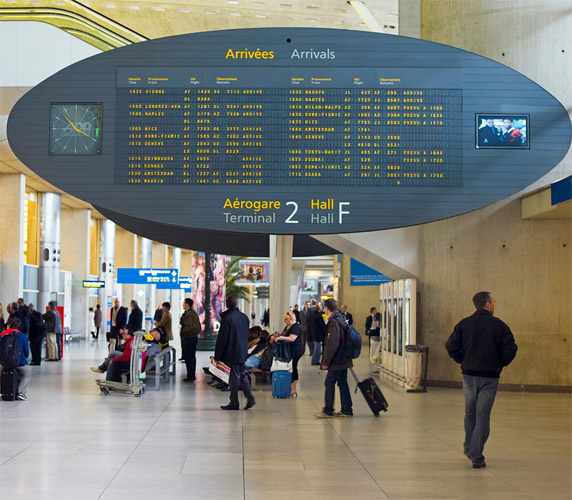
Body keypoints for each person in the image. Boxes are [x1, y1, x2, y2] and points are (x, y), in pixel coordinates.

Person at [445, 291, 518, 469]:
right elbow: (511, 348)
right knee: (483, 415)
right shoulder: (499, 326)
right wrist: (500, 363)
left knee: (470, 413)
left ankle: (469, 447)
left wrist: (462, 360)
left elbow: (450, 345)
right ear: (487, 304)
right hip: (490, 378)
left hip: (469, 376)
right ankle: (476, 455)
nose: (494, 304)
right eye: (493, 301)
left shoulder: (464, 324)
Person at [214, 296, 255, 411]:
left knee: (234, 376)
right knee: (241, 373)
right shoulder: (244, 317)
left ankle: (234, 402)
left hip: (232, 351)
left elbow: (222, 339)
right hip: (242, 351)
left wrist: (217, 356)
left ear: (227, 305)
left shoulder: (227, 319)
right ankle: (250, 398)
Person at [315, 299, 353, 418]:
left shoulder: (334, 322)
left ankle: (328, 410)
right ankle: (347, 410)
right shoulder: (340, 318)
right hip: (344, 357)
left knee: (329, 382)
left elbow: (332, 343)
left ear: (326, 308)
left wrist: (326, 362)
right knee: (342, 383)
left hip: (337, 359)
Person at [272, 311, 304, 397]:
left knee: (293, 367)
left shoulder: (296, 327)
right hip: (289, 350)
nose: (284, 321)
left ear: (290, 318)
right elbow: (286, 335)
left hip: (295, 350)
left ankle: (293, 389)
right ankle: (290, 388)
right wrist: (280, 335)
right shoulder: (288, 326)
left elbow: (292, 338)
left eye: (286, 319)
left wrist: (281, 337)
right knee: (291, 367)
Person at [0, 317, 30, 401]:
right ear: (18, 326)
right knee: (25, 374)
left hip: (4, 363)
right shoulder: (22, 336)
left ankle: (1, 390)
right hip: (20, 363)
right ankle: (21, 392)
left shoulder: (2, 336)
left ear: (8, 325)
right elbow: (27, 353)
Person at [180, 298, 201, 382]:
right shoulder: (193, 313)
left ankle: (190, 375)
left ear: (187, 304)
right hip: (193, 337)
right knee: (192, 356)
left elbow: (189, 326)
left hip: (188, 338)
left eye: (184, 303)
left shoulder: (188, 314)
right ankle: (191, 374)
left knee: (189, 357)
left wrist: (183, 333)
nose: (183, 304)